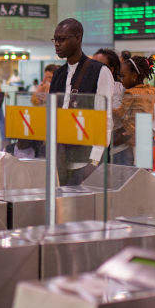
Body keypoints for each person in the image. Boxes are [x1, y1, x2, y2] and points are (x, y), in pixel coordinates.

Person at [48, 19, 115, 185]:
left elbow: (104, 120)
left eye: (62, 39)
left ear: (78, 38)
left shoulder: (100, 71)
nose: (57, 44)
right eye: (55, 39)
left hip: (85, 160)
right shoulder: (59, 74)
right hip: (60, 158)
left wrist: (94, 161)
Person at [112, 54, 155, 166]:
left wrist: (108, 108)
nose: (121, 80)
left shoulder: (130, 93)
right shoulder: (150, 91)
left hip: (130, 138)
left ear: (134, 76)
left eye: (123, 76)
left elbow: (121, 113)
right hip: (145, 138)